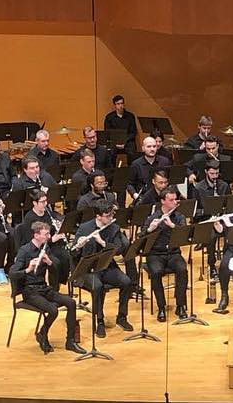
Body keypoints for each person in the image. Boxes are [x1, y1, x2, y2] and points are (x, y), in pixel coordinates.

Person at [11, 221, 86, 354]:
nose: (49, 236)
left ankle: (70, 341)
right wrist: (28, 269)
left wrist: (49, 262)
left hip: (43, 288)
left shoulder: (45, 248)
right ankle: (42, 334)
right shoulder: (24, 251)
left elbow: (56, 269)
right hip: (30, 292)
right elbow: (12, 274)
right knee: (53, 310)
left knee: (71, 302)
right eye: (46, 234)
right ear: (36, 235)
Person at [72, 203, 133, 337]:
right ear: (98, 216)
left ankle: (122, 317)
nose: (111, 218)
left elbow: (118, 250)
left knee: (127, 282)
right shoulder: (84, 228)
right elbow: (73, 254)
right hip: (89, 269)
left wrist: (102, 242)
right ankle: (99, 320)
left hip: (107, 266)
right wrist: (78, 246)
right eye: (108, 216)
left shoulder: (114, 228)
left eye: (112, 215)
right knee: (98, 286)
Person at [143, 186, 190, 321]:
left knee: (182, 269)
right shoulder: (153, 217)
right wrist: (150, 229)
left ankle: (180, 305)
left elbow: (186, 234)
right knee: (156, 272)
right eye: (171, 200)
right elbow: (141, 236)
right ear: (163, 201)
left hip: (173, 253)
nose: (175, 202)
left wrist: (172, 226)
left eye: (176, 199)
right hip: (155, 254)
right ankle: (161, 307)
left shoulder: (179, 216)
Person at [14, 190, 70, 284]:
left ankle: (59, 283)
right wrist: (52, 239)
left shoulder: (47, 213)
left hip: (50, 245)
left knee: (66, 257)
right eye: (42, 202)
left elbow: (52, 228)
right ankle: (53, 288)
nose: (45, 204)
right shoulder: (30, 218)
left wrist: (59, 227)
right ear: (34, 203)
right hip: (38, 249)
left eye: (46, 201)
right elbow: (33, 240)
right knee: (55, 263)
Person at [103, 95, 140, 161]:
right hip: (114, 142)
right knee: (109, 153)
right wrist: (116, 143)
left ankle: (131, 170)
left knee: (132, 153)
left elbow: (133, 132)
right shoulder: (109, 117)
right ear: (114, 105)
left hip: (127, 141)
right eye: (118, 104)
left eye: (122, 103)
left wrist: (124, 142)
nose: (120, 105)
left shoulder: (130, 116)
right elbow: (107, 132)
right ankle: (111, 170)